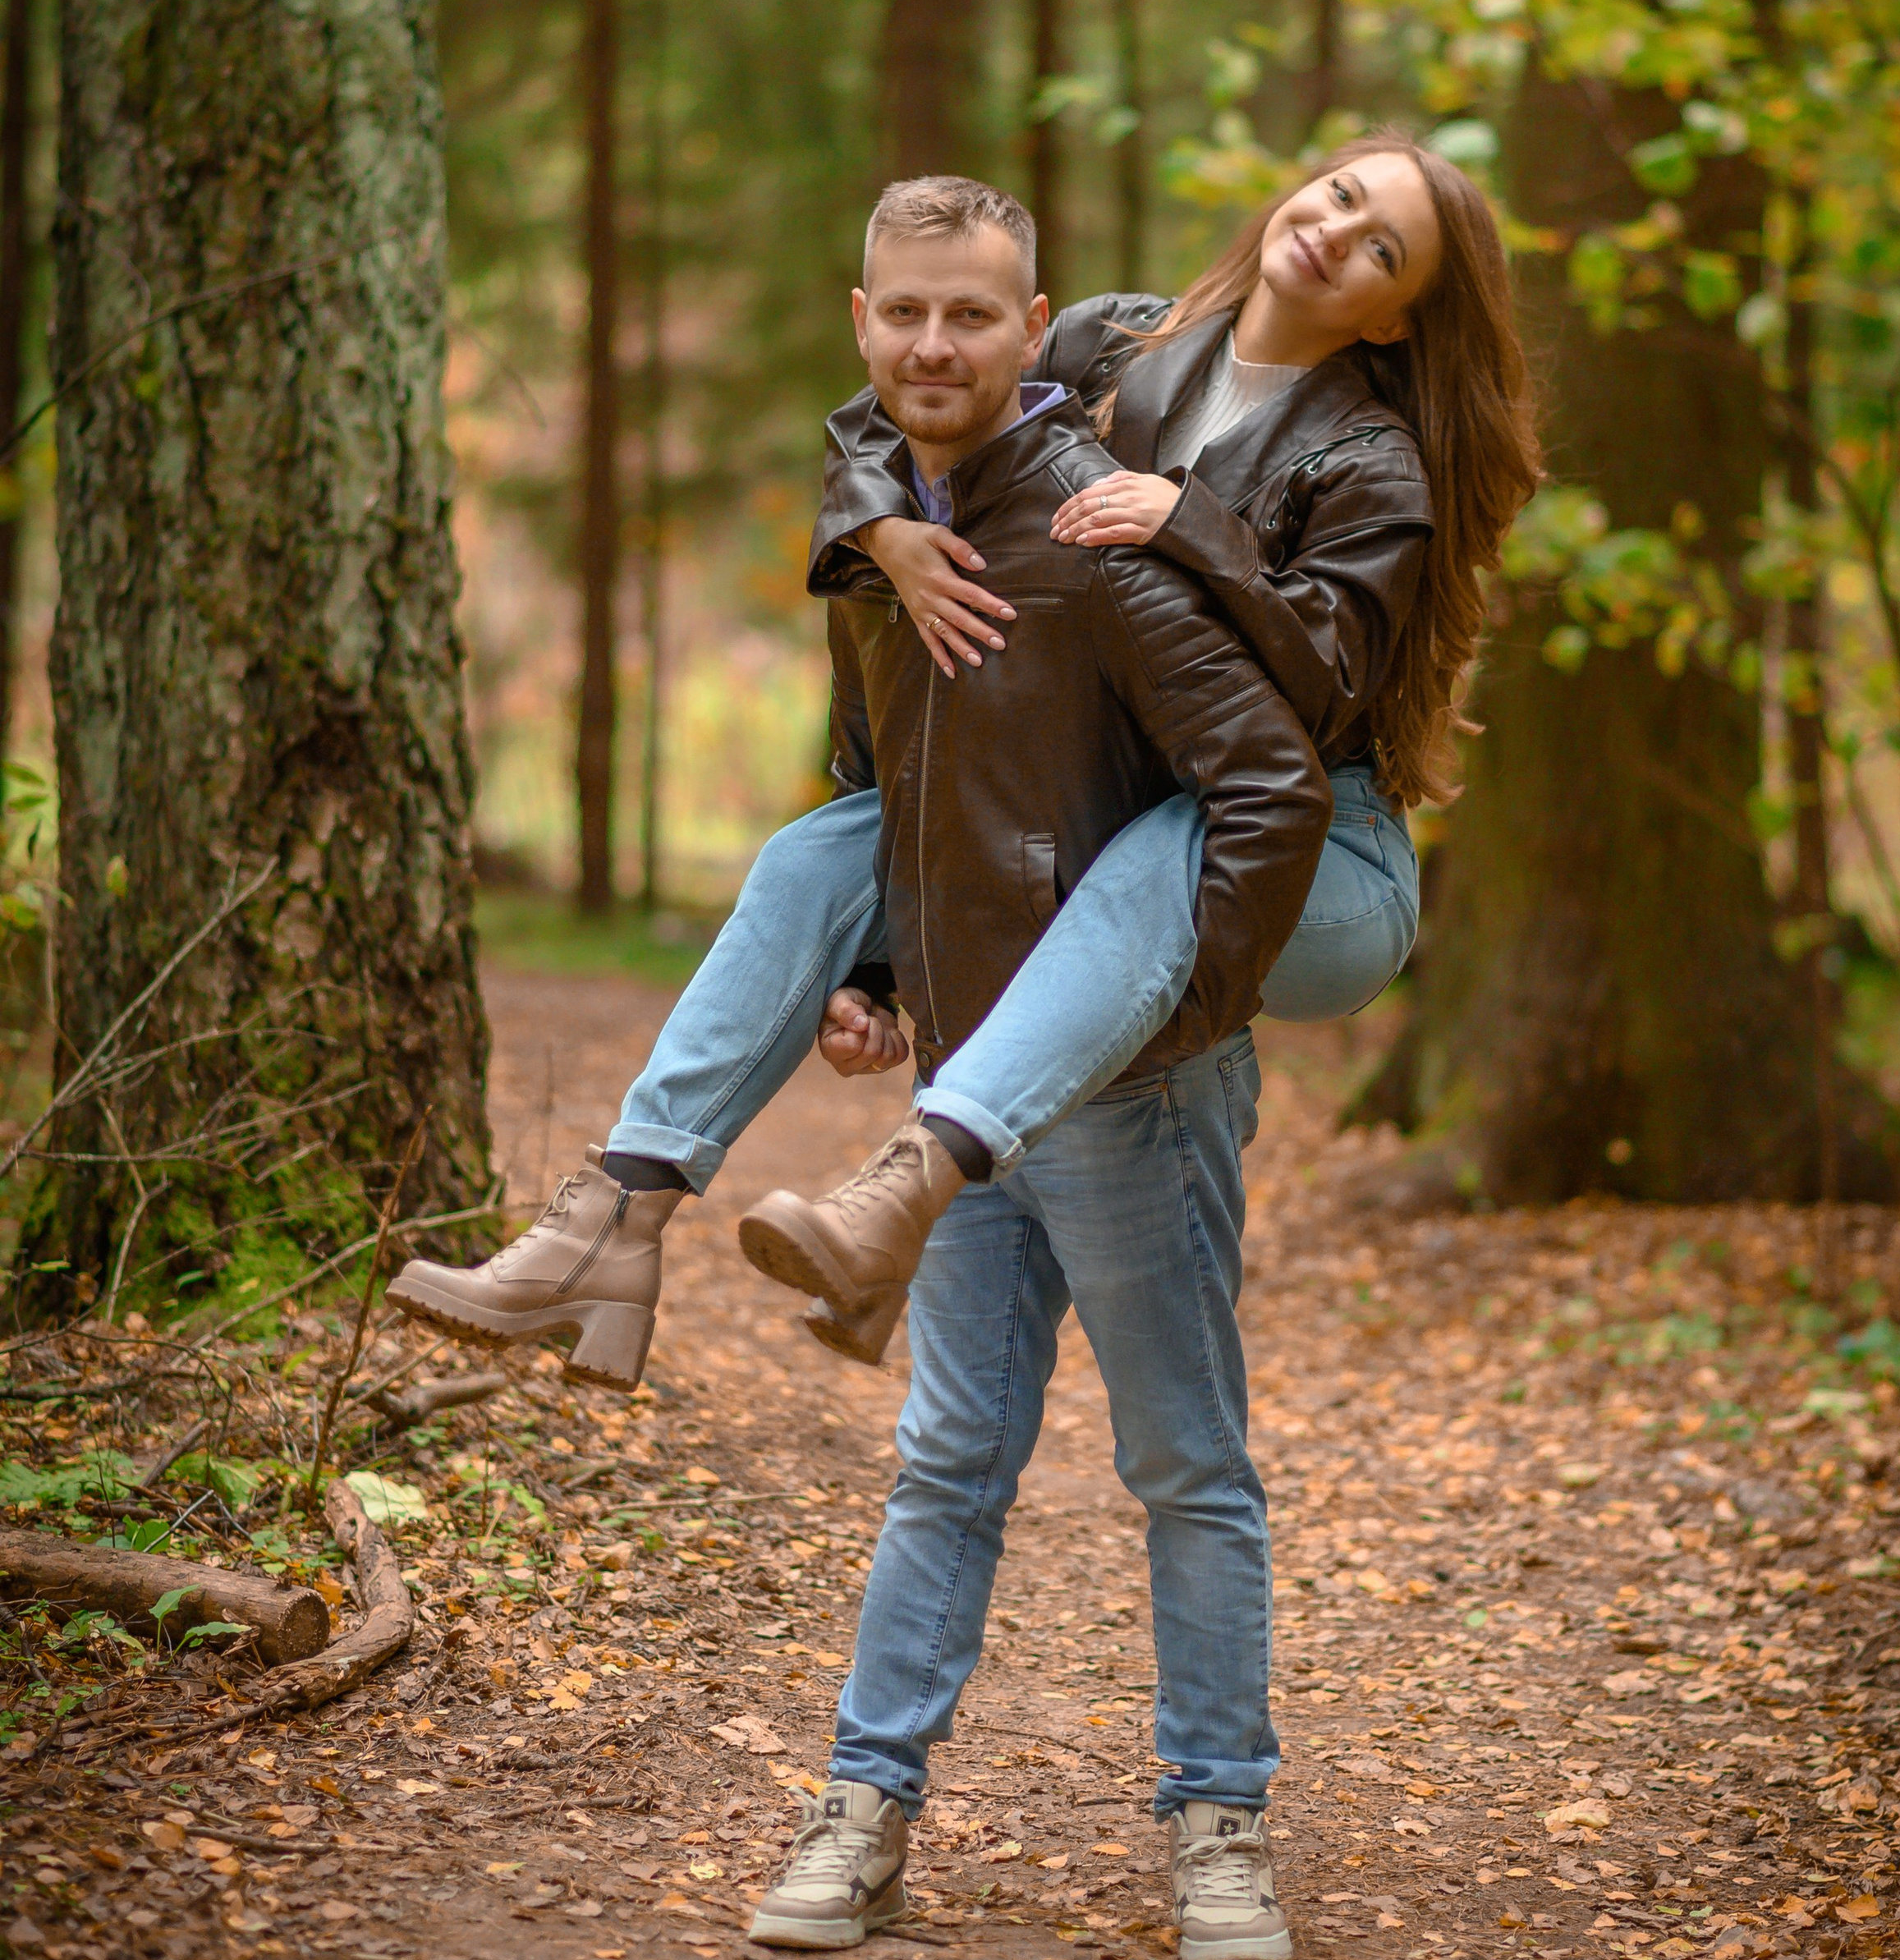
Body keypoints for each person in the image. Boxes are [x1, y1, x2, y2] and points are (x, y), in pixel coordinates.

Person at [385, 143, 1537, 1381]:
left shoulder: (1373, 463)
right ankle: (615, 1216)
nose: (1335, 229)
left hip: (1323, 855)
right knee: (824, 847)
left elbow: (1319, 689)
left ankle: (911, 1184)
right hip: (1161, 796)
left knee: (1167, 844)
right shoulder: (1113, 343)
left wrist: (1187, 521)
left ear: (1398, 311)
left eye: (1382, 247)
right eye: (1344, 193)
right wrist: (881, 529)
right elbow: (928, 404)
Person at [730, 186, 1324, 1960]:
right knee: (945, 1466)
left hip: (1134, 1096)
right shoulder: (881, 541)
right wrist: (871, 970)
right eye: (902, 315)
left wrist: (1178, 1009)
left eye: (968, 318)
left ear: (1034, 320)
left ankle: (1216, 1820)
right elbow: (893, 782)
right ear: (858, 320)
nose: (931, 346)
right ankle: (861, 1810)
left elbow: (1267, 787)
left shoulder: (1095, 522)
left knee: (1184, 1466)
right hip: (962, 1099)